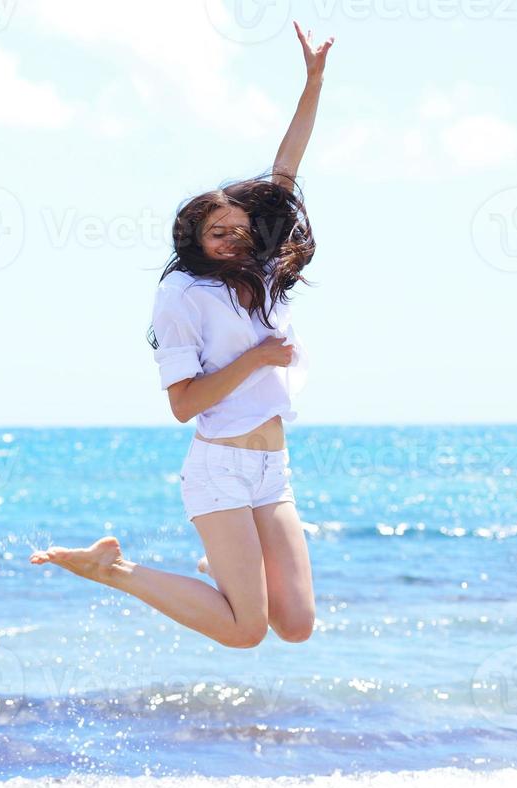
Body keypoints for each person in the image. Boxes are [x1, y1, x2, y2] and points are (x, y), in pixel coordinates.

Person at [30, 22, 334, 649]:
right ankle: (111, 568)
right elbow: (183, 404)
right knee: (246, 631)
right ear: (195, 241)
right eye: (216, 232)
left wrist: (312, 82)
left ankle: (224, 567)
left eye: (238, 229)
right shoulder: (181, 296)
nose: (231, 239)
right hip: (218, 468)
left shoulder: (267, 277)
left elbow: (285, 169)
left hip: (271, 469)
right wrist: (257, 358)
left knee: (297, 626)